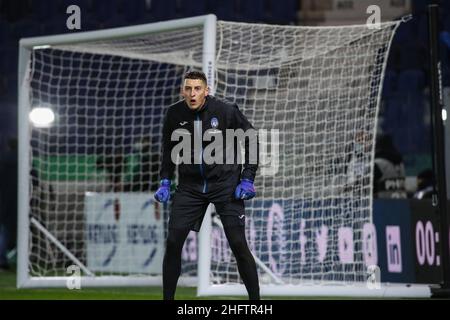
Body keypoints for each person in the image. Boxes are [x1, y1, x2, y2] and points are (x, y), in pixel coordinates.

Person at [154, 70, 260, 300]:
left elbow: (251, 137)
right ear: (183, 91)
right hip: (190, 187)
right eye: (188, 89)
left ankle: (256, 303)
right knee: (173, 242)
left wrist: (247, 178)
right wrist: (164, 181)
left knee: (238, 244)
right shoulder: (174, 114)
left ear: (206, 91)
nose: (192, 93)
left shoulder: (225, 111)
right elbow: (168, 152)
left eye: (197, 89)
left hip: (225, 184)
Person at [373, 134, 407, 198]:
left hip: (384, 203)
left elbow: (371, 187)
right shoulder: (400, 163)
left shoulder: (378, 163)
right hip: (401, 202)